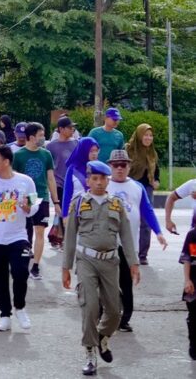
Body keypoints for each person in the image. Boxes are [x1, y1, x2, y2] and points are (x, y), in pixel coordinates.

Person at [63, 160, 139, 376]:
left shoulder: (116, 203)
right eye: (94, 179)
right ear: (88, 180)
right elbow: (69, 237)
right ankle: (90, 354)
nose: (98, 183)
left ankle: (103, 337)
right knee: (90, 306)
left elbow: (126, 235)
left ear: (108, 181)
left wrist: (133, 263)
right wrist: (66, 267)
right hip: (86, 260)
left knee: (115, 311)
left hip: (110, 262)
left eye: (102, 179)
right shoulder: (79, 202)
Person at [0, 145, 37, 332]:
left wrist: (28, 207)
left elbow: (33, 206)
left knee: (21, 272)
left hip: (17, 236)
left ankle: (20, 306)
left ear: (6, 161)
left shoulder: (25, 181)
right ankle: (5, 315)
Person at [106, 149, 166, 332]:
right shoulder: (104, 185)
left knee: (126, 282)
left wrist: (158, 232)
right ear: (110, 167)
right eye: (115, 165)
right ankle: (108, 315)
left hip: (128, 244)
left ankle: (125, 318)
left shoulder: (136, 187)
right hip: (107, 243)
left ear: (129, 166)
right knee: (108, 283)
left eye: (123, 165)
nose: (119, 169)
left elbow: (147, 211)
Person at [13, 122, 58, 281]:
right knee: (25, 233)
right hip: (25, 198)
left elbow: (51, 179)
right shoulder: (18, 156)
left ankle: (36, 266)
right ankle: (23, 263)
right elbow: (14, 179)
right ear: (31, 137)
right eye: (41, 135)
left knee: (40, 231)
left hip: (42, 197)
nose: (43, 138)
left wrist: (56, 201)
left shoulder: (46, 155)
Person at [125, 123, 160, 264]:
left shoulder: (152, 152)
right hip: (130, 186)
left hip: (146, 188)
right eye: (145, 135)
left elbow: (156, 170)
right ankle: (126, 251)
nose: (148, 138)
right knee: (128, 218)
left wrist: (156, 180)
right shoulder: (129, 149)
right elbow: (122, 166)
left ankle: (142, 255)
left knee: (146, 221)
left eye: (150, 135)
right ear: (139, 135)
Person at [48, 117, 80, 204]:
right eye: (69, 127)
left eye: (73, 127)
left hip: (74, 183)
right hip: (59, 184)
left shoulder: (76, 143)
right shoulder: (51, 146)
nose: (72, 129)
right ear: (61, 129)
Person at [180, 223, 196, 360]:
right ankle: (193, 344)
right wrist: (187, 280)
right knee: (194, 316)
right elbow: (188, 259)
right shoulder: (193, 235)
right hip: (194, 283)